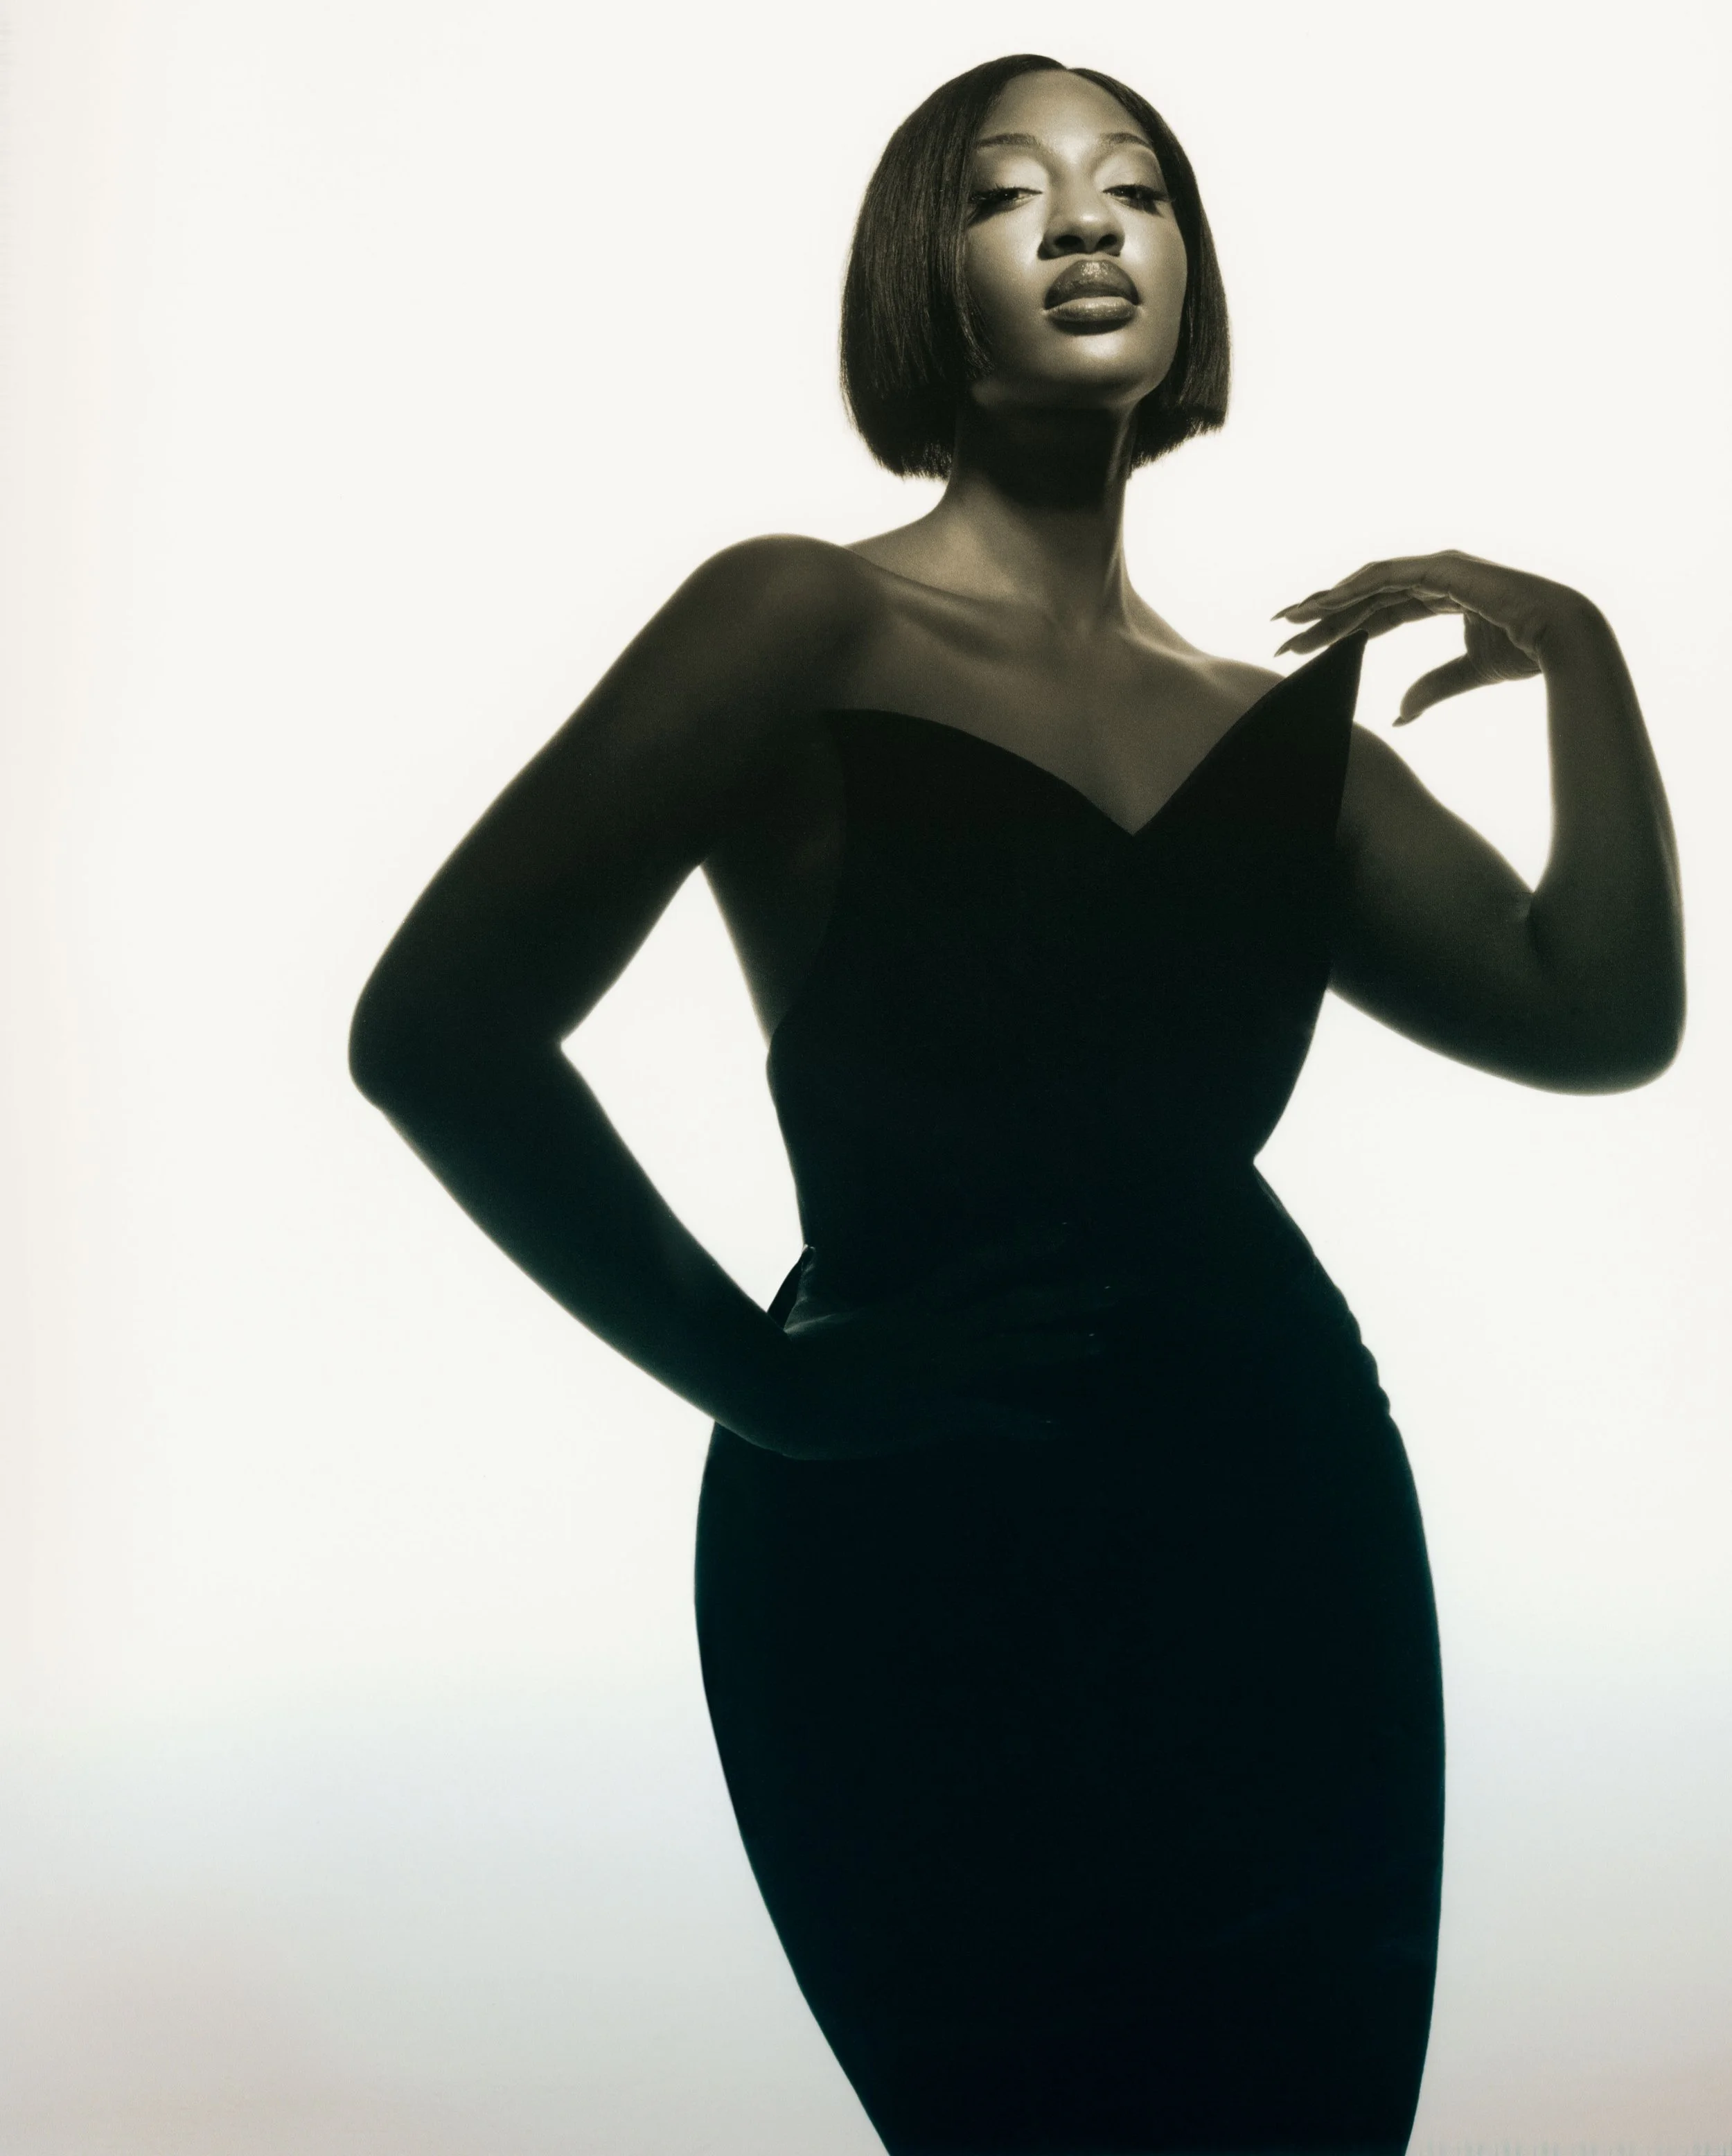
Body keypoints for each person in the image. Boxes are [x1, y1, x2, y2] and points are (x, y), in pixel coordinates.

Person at [348, 53, 1684, 2156]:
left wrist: (1581, 648)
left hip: (1279, 1514)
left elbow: (1592, 1014)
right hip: (905, 1531)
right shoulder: (798, 613)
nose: (1085, 223)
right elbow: (436, 1030)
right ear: (921, 276)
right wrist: (752, 1382)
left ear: (1189, 270)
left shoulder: (1273, 733)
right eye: (1009, 192)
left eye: (1134, 187)